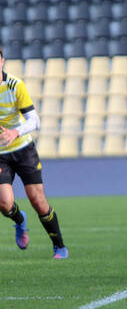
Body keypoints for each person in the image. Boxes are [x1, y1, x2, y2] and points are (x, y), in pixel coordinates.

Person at [0, 46, 68, 259]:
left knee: (38, 201)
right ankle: (20, 220)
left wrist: (15, 132)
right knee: (4, 203)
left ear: (2, 61)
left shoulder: (14, 85)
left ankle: (59, 245)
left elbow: (34, 120)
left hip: (23, 149)